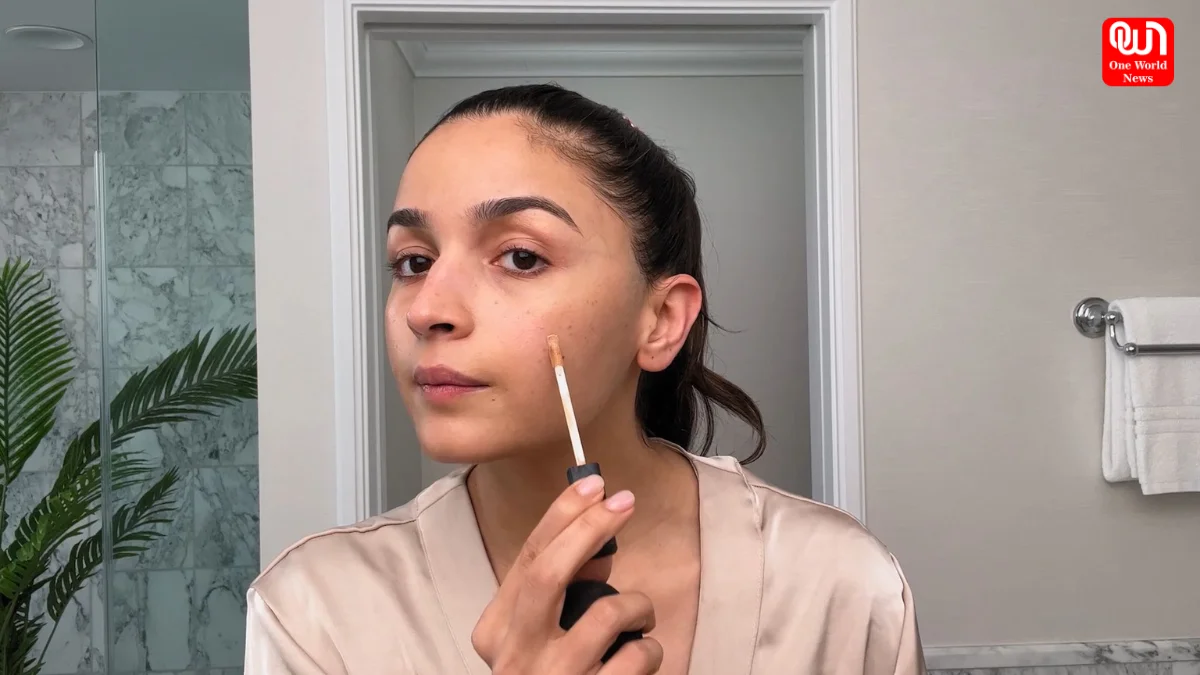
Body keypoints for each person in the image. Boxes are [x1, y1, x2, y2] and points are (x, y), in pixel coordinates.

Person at [244, 83, 925, 674]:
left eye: (520, 256)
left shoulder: (841, 587)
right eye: (414, 262)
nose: (427, 310)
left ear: (661, 319)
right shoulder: (314, 612)